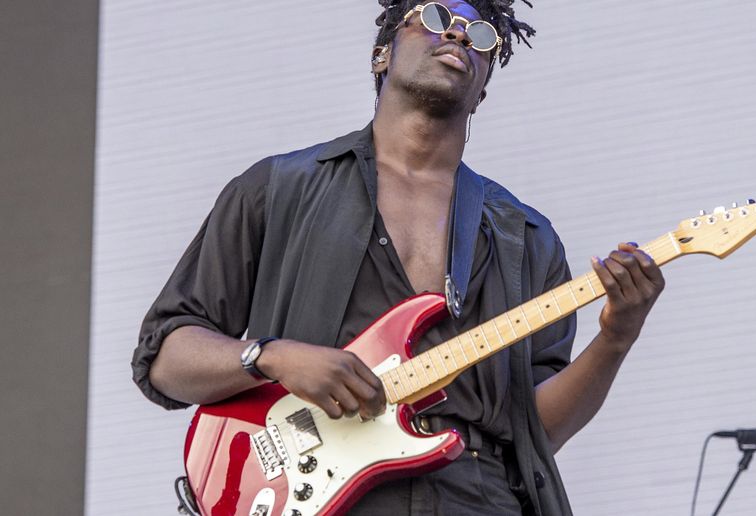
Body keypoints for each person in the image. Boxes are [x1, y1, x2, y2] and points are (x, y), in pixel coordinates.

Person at [132, 0, 665, 514]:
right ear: (382, 52)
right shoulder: (277, 189)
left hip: (477, 497)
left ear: (482, 90)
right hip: (318, 495)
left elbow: (539, 429)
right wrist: (271, 356)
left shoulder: (527, 237)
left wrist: (617, 337)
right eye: (435, 17)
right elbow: (166, 360)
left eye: (482, 36)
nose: (458, 35)